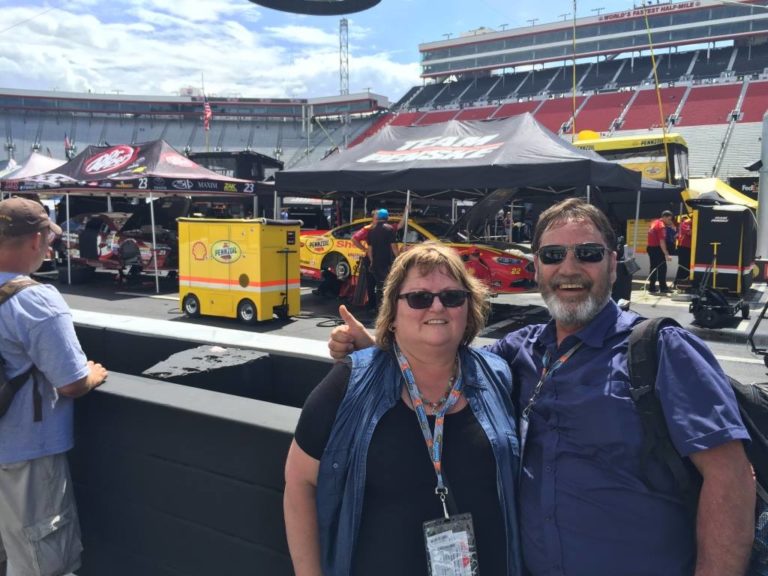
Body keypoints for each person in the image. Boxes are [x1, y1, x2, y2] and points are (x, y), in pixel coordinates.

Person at [329, 198, 755, 576]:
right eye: (553, 255)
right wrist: (381, 348)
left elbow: (731, 477)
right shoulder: (520, 350)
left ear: (612, 262)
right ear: (537, 267)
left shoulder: (662, 350)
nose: (569, 268)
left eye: (586, 253)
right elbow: (442, 360)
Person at [284, 242, 522, 576]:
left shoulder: (497, 374)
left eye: (452, 297)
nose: (437, 307)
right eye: (419, 298)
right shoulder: (350, 381)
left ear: (469, 309)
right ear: (393, 314)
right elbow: (299, 482)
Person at [0, 197, 108, 576]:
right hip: (26, 453)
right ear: (34, 240)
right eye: (48, 238)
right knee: (43, 562)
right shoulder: (35, 300)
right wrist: (93, 374)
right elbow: (72, 383)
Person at [365, 208, 398, 307]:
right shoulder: (389, 229)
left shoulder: (371, 230)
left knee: (378, 285)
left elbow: (369, 249)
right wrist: (399, 258)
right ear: (387, 217)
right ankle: (385, 307)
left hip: (375, 261)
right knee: (386, 285)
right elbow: (393, 246)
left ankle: (377, 307)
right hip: (386, 262)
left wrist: (371, 261)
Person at [351, 209, 379, 309]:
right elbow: (354, 239)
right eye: (377, 217)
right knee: (371, 282)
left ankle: (378, 304)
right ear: (373, 218)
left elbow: (400, 226)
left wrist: (406, 212)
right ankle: (372, 304)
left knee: (381, 283)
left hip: (382, 258)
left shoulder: (386, 227)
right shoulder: (368, 229)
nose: (379, 219)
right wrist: (364, 249)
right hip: (371, 258)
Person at [646, 209, 675, 294]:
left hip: (650, 248)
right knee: (662, 268)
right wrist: (666, 254)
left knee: (653, 268)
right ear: (664, 217)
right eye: (669, 219)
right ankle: (663, 288)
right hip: (657, 249)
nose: (670, 221)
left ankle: (651, 287)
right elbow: (662, 242)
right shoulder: (661, 226)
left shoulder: (654, 222)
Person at [674, 214, 693, 289]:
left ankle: (685, 284)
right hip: (683, 248)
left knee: (688, 266)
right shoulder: (686, 222)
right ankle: (677, 283)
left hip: (691, 248)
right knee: (683, 266)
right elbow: (690, 233)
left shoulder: (693, 223)